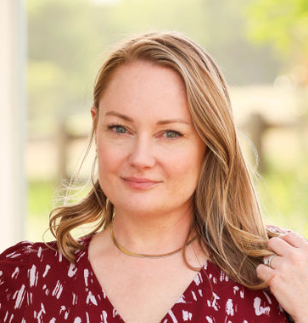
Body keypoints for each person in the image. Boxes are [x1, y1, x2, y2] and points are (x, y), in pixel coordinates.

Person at [0, 31, 307, 323]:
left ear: (210, 143)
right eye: (120, 128)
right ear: (96, 127)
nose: (140, 158)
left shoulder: (280, 274)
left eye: (170, 133)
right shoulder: (25, 279)